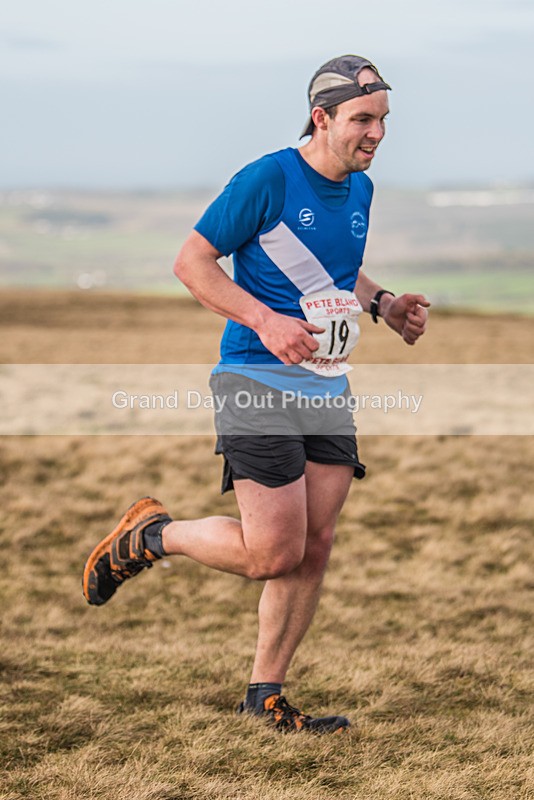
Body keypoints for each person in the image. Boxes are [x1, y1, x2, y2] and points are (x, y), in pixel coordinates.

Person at [83, 54, 429, 734]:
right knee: (273, 552)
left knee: (316, 544)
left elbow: (338, 270)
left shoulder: (360, 188)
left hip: (326, 383)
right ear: (321, 117)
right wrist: (263, 319)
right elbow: (191, 262)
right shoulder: (267, 179)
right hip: (255, 377)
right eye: (363, 120)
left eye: (384, 121)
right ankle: (153, 535)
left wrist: (383, 302)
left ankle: (265, 696)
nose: (377, 136)